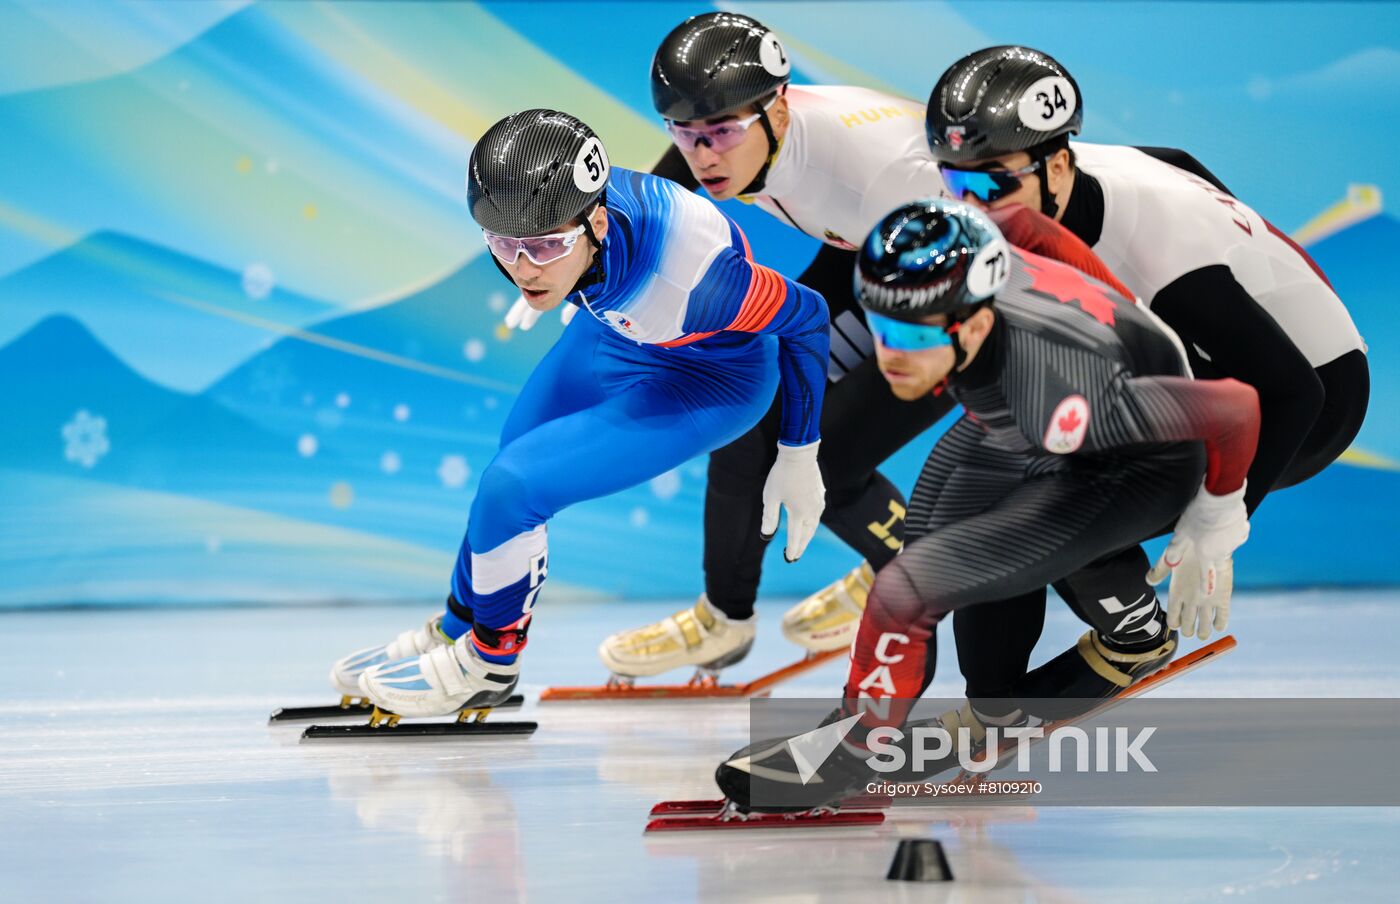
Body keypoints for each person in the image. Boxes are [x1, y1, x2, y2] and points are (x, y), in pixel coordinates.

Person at [715, 199, 1261, 811]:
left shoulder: (1062, 387)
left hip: (1132, 464)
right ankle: (981, 712)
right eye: (882, 327)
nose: (889, 356)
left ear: (973, 325)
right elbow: (1026, 224)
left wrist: (1218, 515)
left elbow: (1235, 407)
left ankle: (1131, 635)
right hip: (1017, 415)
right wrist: (1116, 304)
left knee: (907, 589)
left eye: (913, 337)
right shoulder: (975, 253)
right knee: (919, 557)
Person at [329, 109, 831, 718]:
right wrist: (555, 271)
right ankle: (459, 626)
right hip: (621, 330)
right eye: (503, 245)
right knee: (512, 454)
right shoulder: (565, 209)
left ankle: (490, 661)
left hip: (712, 376)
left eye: (544, 246)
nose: (523, 269)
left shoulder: (697, 284)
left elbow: (809, 316)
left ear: (596, 222)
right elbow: (548, 243)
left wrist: (799, 450)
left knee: (515, 485)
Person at [925, 46, 1368, 726]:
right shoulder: (1063, 176)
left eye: (993, 187)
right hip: (1204, 364)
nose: (970, 207)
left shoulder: (1159, 248)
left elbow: (1293, 392)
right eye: (952, 183)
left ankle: (1129, 637)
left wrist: (1221, 520)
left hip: (1310, 395)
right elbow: (1177, 158)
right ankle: (993, 704)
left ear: (1059, 166)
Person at [592, 12, 953, 683]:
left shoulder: (869, 173)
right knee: (752, 411)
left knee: (825, 460)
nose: (705, 156)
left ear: (778, 110)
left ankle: (915, 570)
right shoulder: (739, 132)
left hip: (963, 292)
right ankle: (723, 618)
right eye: (685, 133)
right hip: (874, 251)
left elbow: (988, 281)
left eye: (722, 133)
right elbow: (665, 188)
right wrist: (591, 254)